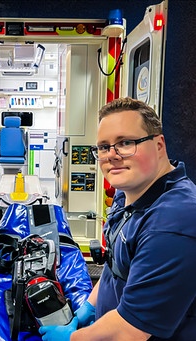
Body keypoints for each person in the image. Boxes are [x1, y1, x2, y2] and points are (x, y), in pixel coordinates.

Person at [39, 97, 196, 340]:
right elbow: (115, 267)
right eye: (103, 147)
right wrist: (90, 307)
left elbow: (130, 331)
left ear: (159, 145)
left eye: (125, 143)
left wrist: (72, 338)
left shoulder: (173, 224)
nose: (112, 155)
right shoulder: (127, 196)